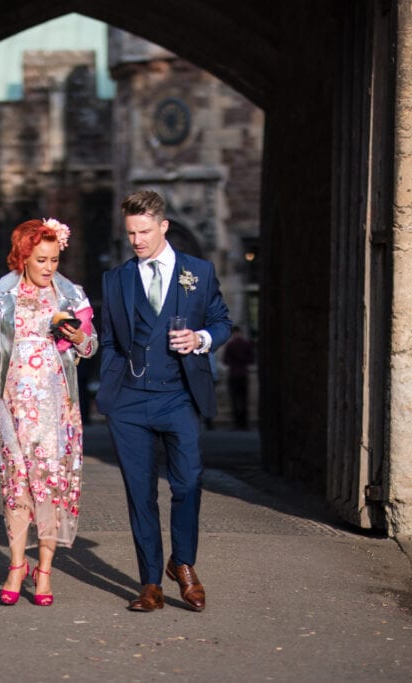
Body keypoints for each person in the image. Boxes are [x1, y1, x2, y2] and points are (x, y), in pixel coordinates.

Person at [95, 190, 232, 612]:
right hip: (130, 402)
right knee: (140, 493)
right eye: (131, 233)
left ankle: (183, 562)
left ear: (163, 226)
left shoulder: (199, 272)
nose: (136, 240)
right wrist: (111, 389)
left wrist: (200, 339)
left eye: (144, 231)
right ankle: (151, 582)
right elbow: (111, 340)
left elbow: (222, 321)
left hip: (179, 396)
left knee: (188, 482)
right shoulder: (115, 279)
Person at [0, 218, 98, 607]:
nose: (49, 268)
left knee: (47, 482)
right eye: (41, 259)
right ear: (23, 256)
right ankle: (14, 564)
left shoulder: (70, 293)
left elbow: (90, 346)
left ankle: (43, 570)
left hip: (56, 404)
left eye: (55, 260)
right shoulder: (0, 292)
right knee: (16, 482)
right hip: (11, 400)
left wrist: (79, 338)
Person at [222, 325, 255, 429]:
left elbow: (225, 361)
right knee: (244, 399)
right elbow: (251, 359)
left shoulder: (231, 345)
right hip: (243, 373)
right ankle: (244, 423)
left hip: (233, 374)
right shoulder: (246, 344)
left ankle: (237, 423)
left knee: (234, 399)